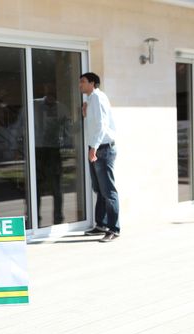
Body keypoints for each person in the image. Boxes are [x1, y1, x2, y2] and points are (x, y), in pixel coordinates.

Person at [79, 72, 120, 242]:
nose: (80, 85)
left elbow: (102, 125)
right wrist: (85, 114)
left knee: (108, 191)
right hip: (97, 148)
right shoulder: (91, 99)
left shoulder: (97, 97)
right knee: (99, 189)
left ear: (92, 83)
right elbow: (95, 124)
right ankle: (101, 225)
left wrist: (93, 148)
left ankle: (113, 229)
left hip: (102, 149)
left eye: (83, 82)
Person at [34, 84, 71, 226]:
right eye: (49, 91)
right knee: (35, 186)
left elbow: (69, 131)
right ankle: (34, 218)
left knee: (56, 187)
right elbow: (21, 125)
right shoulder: (35, 105)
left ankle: (58, 218)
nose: (51, 94)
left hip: (54, 151)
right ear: (45, 91)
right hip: (38, 150)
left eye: (54, 92)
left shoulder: (61, 108)